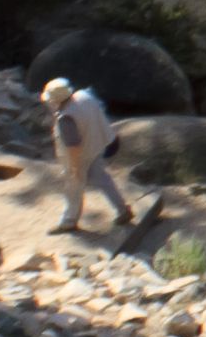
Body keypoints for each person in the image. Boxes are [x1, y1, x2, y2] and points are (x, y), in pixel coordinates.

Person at [38, 77, 141, 235]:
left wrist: (75, 168)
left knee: (73, 188)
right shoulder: (85, 96)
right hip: (97, 145)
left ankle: (69, 222)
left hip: (82, 155)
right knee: (103, 180)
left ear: (55, 100)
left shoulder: (66, 119)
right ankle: (122, 210)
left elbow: (73, 147)